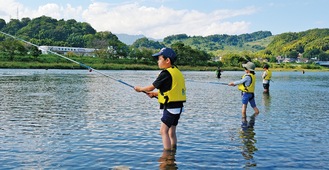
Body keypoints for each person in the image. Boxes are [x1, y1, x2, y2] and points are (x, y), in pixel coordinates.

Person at [134, 47, 186, 152]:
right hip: (178, 107)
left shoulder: (165, 73)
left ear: (167, 60)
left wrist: (140, 89)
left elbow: (150, 87)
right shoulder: (176, 72)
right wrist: (155, 94)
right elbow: (172, 90)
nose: (158, 61)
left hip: (170, 108)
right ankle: (173, 152)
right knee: (171, 132)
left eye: (159, 59)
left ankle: (167, 155)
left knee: (163, 131)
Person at [228, 62, 259, 129]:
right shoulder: (253, 76)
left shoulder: (247, 77)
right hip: (251, 94)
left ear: (248, 70)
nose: (244, 70)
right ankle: (256, 115)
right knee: (254, 107)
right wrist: (235, 84)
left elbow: (240, 81)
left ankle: (244, 119)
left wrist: (232, 83)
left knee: (244, 107)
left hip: (246, 94)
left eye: (245, 69)